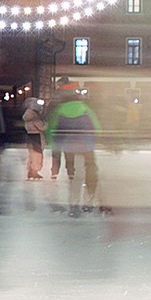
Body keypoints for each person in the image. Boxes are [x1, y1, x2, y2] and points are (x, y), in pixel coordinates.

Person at [47, 84, 102, 216]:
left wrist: (53, 145)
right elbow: (97, 127)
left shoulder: (59, 110)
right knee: (90, 173)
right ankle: (89, 202)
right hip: (86, 147)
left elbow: (52, 130)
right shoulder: (85, 108)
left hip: (69, 148)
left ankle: (74, 205)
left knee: (73, 176)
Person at [20, 91, 47, 180]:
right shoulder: (35, 116)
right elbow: (42, 127)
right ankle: (35, 171)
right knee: (38, 154)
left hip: (30, 135)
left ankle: (31, 170)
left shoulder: (27, 116)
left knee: (32, 154)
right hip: (36, 135)